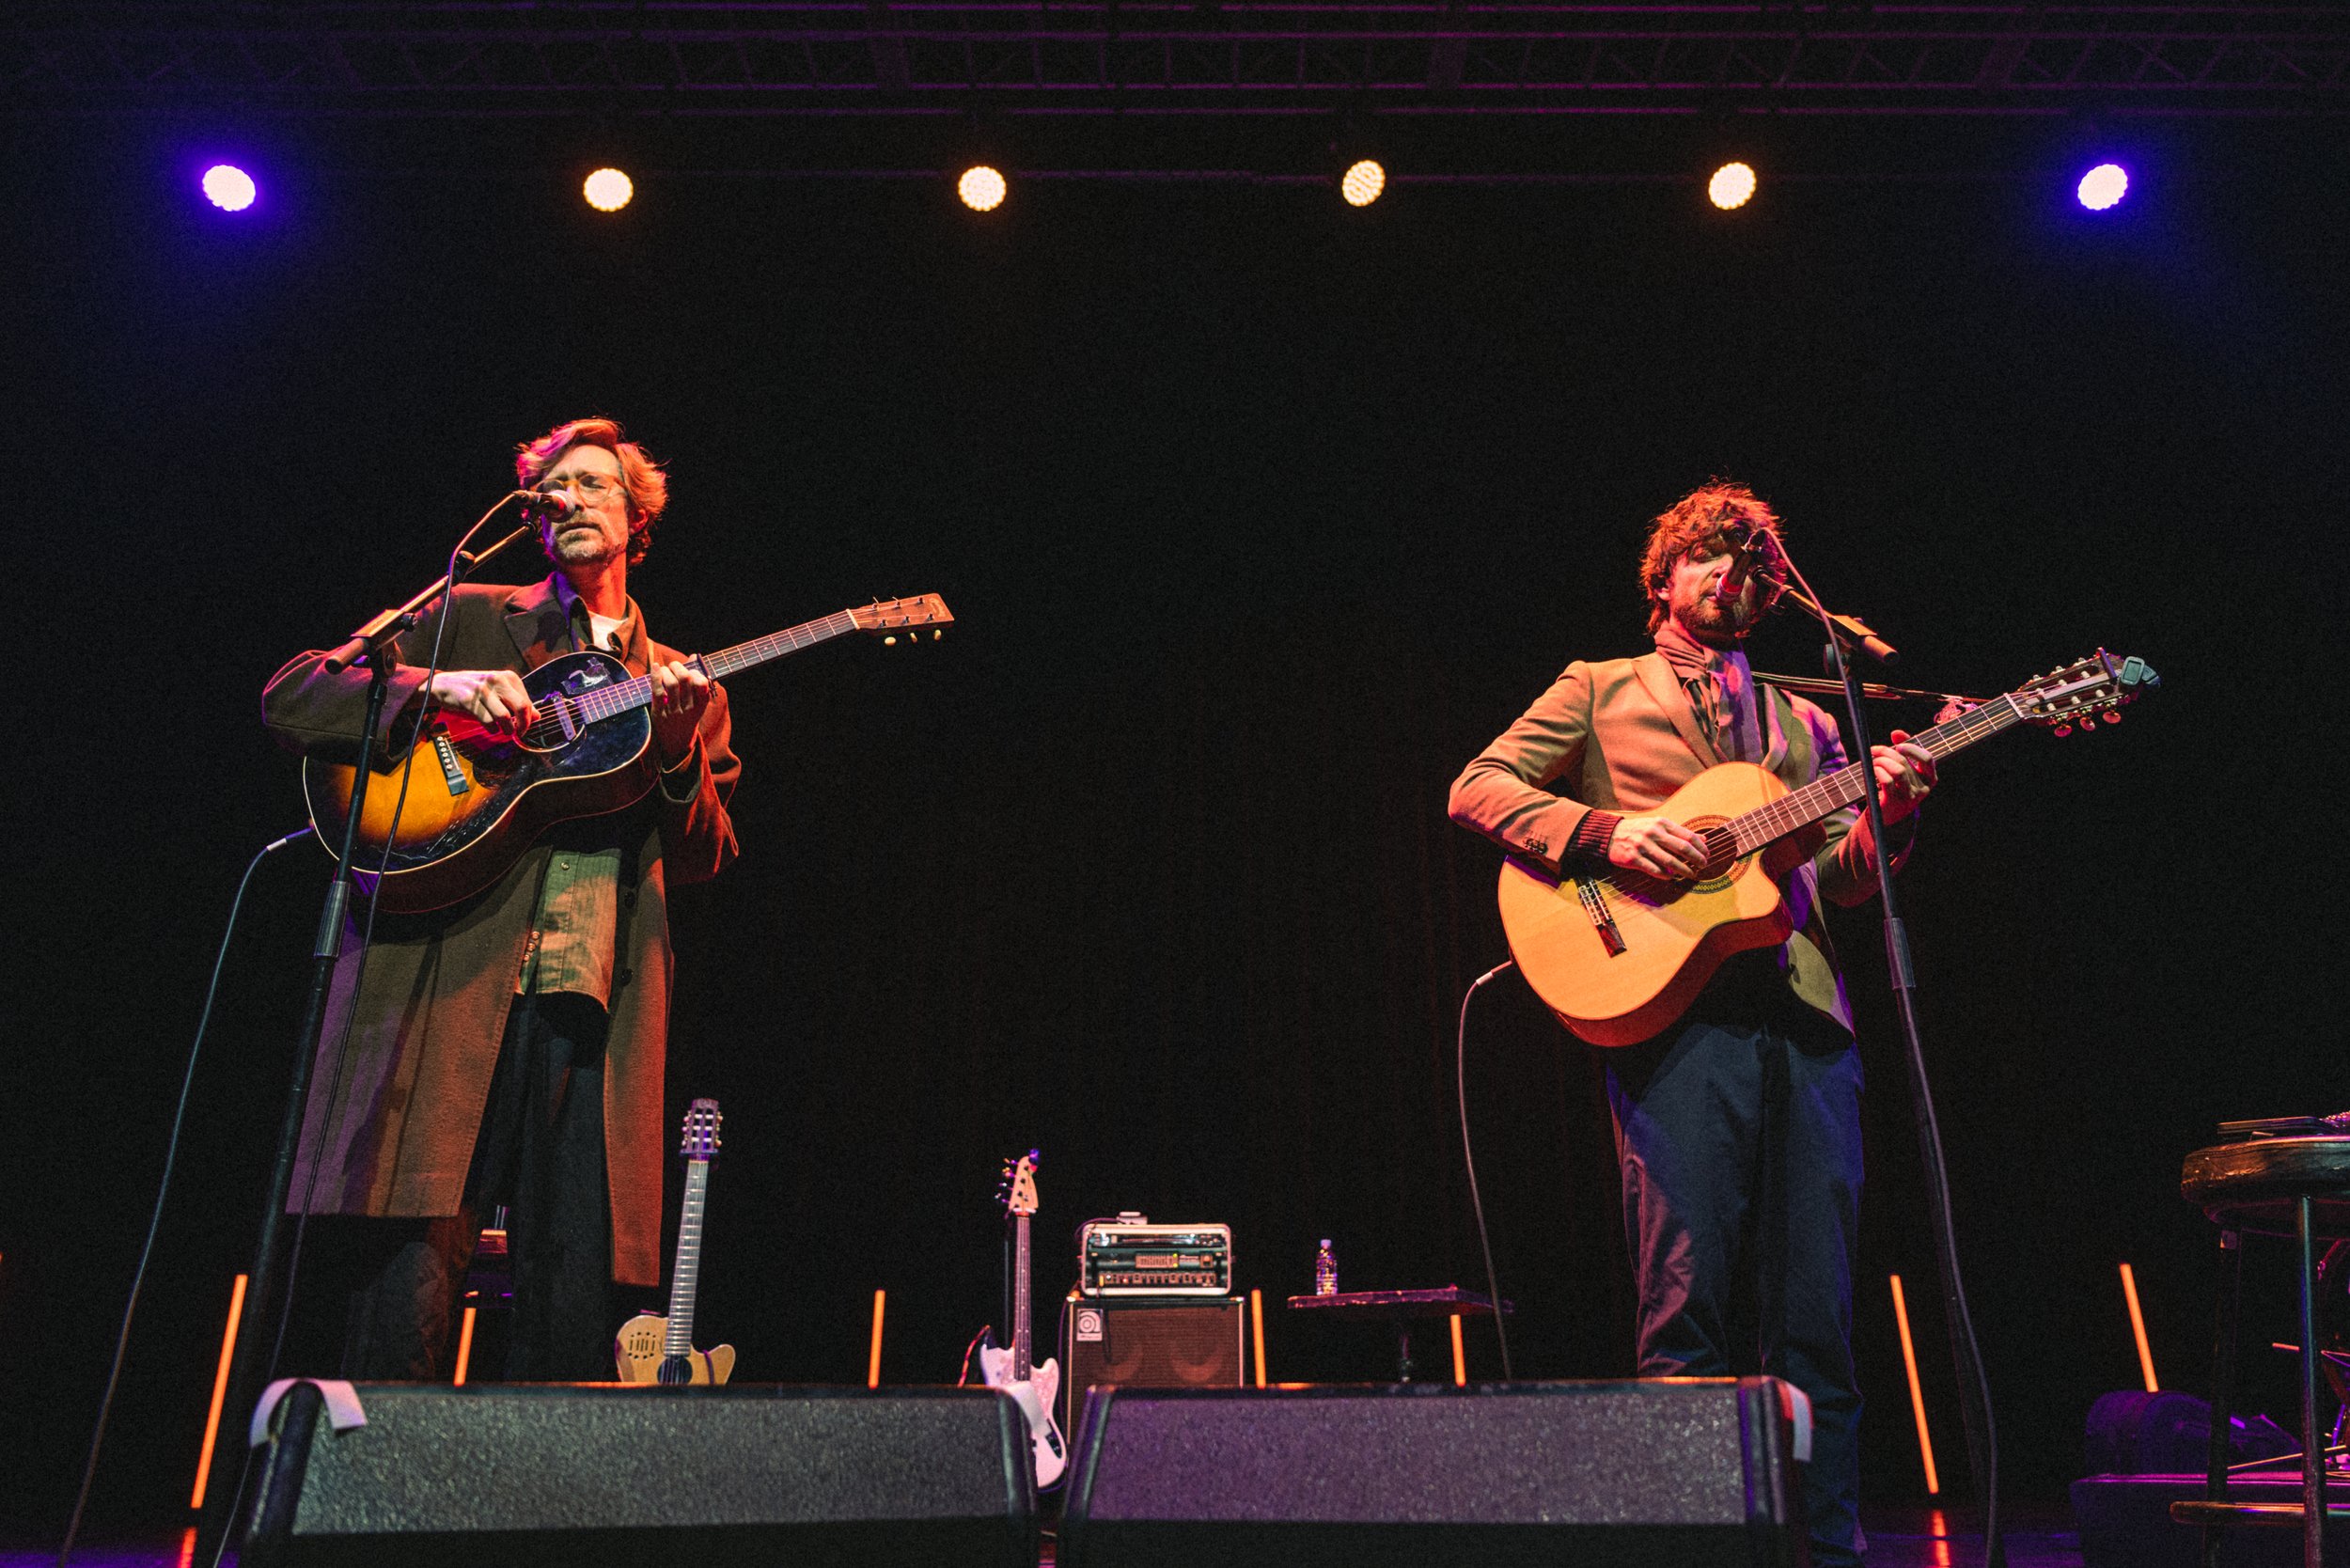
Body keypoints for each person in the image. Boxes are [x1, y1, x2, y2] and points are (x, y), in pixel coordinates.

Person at [1447, 482, 1935, 1567]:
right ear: (1662, 577)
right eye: (1710, 557)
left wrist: (1891, 813)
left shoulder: (1806, 721)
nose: (1733, 576)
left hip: (1807, 1023)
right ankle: (1689, 1542)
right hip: (1671, 1021)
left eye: (1752, 564)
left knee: (1820, 1312)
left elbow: (1847, 882)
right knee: (1687, 1306)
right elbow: (1478, 788)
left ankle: (1827, 1545)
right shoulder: (1597, 687)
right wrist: (1606, 837)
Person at [262, 416, 740, 1380]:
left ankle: (530, 1522)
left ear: (636, 514)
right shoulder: (473, 612)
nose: (570, 500)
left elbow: (704, 859)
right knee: (410, 1270)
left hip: (588, 1002)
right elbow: (295, 695)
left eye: (595, 484)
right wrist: (440, 687)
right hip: (449, 987)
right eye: (552, 488)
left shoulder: (677, 679)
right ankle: (375, 1516)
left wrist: (682, 751)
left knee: (570, 1280)